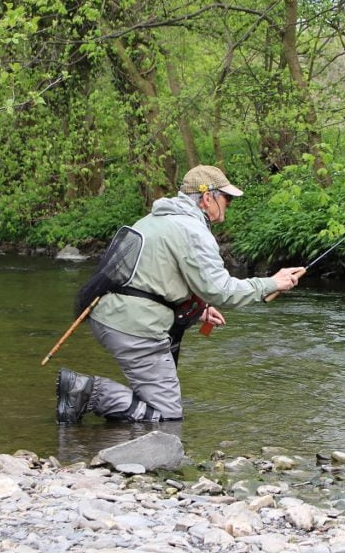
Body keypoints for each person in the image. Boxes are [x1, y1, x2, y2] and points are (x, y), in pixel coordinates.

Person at [56, 165, 304, 424]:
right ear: (208, 198)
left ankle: (96, 421)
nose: (229, 204)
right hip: (136, 328)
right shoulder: (192, 231)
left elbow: (154, 279)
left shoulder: (154, 220)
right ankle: (85, 391)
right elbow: (222, 292)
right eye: (227, 198)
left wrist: (198, 310)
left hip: (111, 317)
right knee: (166, 417)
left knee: (155, 409)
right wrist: (271, 283)